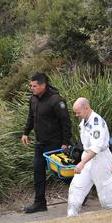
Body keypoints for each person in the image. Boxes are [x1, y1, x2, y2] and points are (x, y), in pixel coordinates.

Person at [21, 72, 73, 213]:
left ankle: (81, 191)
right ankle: (40, 203)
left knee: (60, 173)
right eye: (31, 86)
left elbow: (66, 122)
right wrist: (26, 133)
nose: (32, 88)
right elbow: (31, 118)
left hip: (55, 143)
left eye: (35, 86)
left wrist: (65, 143)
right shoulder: (33, 99)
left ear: (43, 85)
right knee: (38, 172)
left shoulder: (56, 100)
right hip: (40, 143)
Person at [67, 97, 112, 217]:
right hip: (87, 156)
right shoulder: (84, 121)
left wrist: (82, 163)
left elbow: (96, 148)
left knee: (105, 190)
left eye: (78, 112)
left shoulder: (97, 122)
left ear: (86, 108)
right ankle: (71, 215)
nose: (77, 115)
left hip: (100, 158)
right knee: (76, 186)